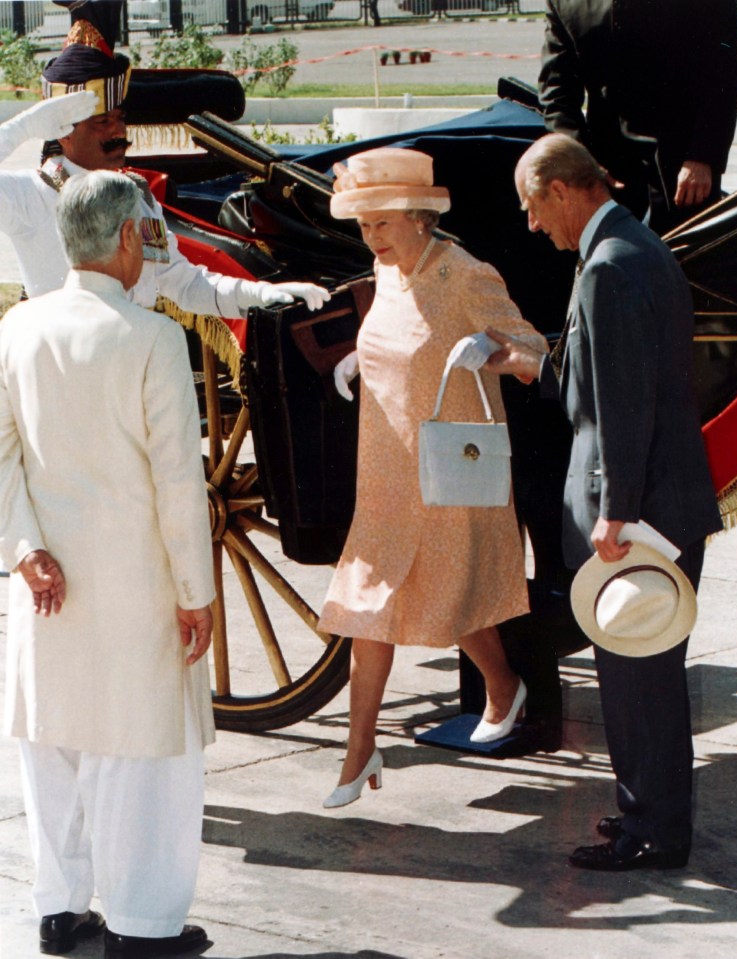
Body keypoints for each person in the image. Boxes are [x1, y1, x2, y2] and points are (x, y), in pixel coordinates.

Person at [485, 133, 722, 870]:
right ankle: (650, 817)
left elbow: (622, 407)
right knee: (645, 671)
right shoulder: (634, 248)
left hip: (638, 512)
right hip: (663, 499)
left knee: (637, 676)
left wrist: (615, 512)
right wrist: (529, 362)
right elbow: (601, 374)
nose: (531, 225)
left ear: (561, 190)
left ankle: (651, 830)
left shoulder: (608, 268)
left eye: (532, 208)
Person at [0, 170, 217, 955]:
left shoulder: (16, 328)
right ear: (128, 238)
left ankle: (59, 907)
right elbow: (178, 483)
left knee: (51, 745)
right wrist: (197, 591)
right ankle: (142, 922)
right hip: (137, 587)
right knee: (145, 756)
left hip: (44, 583)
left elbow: (1, 457)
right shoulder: (154, 337)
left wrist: (24, 550)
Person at [318, 147, 548, 809]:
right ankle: (360, 752)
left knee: (450, 601)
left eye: (381, 224)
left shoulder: (465, 274)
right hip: (387, 470)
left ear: (419, 217)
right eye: (362, 226)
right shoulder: (386, 270)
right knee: (370, 607)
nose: (371, 238)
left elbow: (534, 352)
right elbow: (393, 334)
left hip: (449, 471)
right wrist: (358, 362)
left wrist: (491, 352)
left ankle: (503, 687)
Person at [0, 0, 329, 313]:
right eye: (103, 122)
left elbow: (185, 284)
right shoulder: (31, 194)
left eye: (121, 119)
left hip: (137, 354)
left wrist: (259, 293)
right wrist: (22, 128)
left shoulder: (135, 195)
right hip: (61, 362)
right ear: (63, 131)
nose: (118, 133)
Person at [538, 0, 737, 234]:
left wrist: (702, 157)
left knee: (689, 265)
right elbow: (556, 93)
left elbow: (724, 72)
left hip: (683, 172)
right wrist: (582, 164)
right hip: (607, 174)